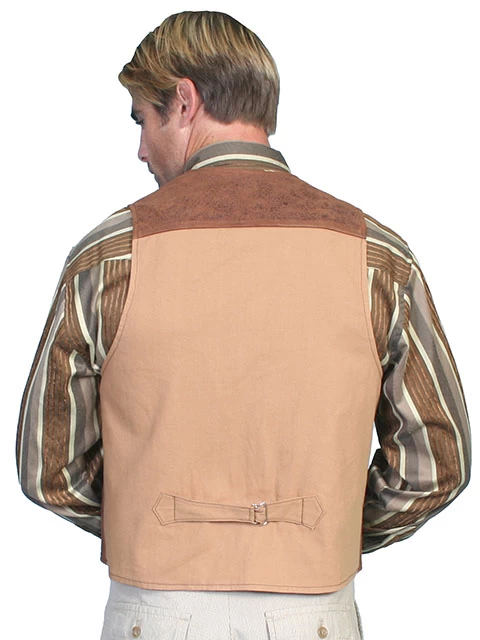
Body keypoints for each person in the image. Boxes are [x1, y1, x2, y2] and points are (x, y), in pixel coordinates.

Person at [16, 10, 471, 640]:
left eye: (141, 120)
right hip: (314, 612)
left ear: (184, 101)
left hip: (154, 611)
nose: (140, 148)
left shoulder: (108, 256)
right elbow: (435, 463)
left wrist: (150, 523)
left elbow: (49, 468)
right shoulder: (377, 258)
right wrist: (328, 529)